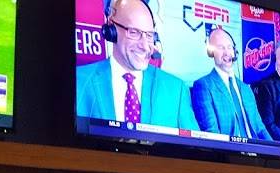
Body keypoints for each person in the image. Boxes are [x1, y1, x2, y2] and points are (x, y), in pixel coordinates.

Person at [75, 0, 198, 130]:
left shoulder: (176, 89)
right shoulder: (79, 80)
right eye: (134, 32)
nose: (145, 46)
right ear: (111, 29)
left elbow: (192, 141)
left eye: (149, 35)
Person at [191, 27, 272, 140]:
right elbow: (211, 133)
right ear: (211, 52)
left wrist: (277, 150)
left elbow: (260, 128)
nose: (226, 53)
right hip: (227, 150)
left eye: (229, 47)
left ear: (235, 52)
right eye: (221, 47)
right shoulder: (203, 85)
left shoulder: (246, 88)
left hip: (255, 149)